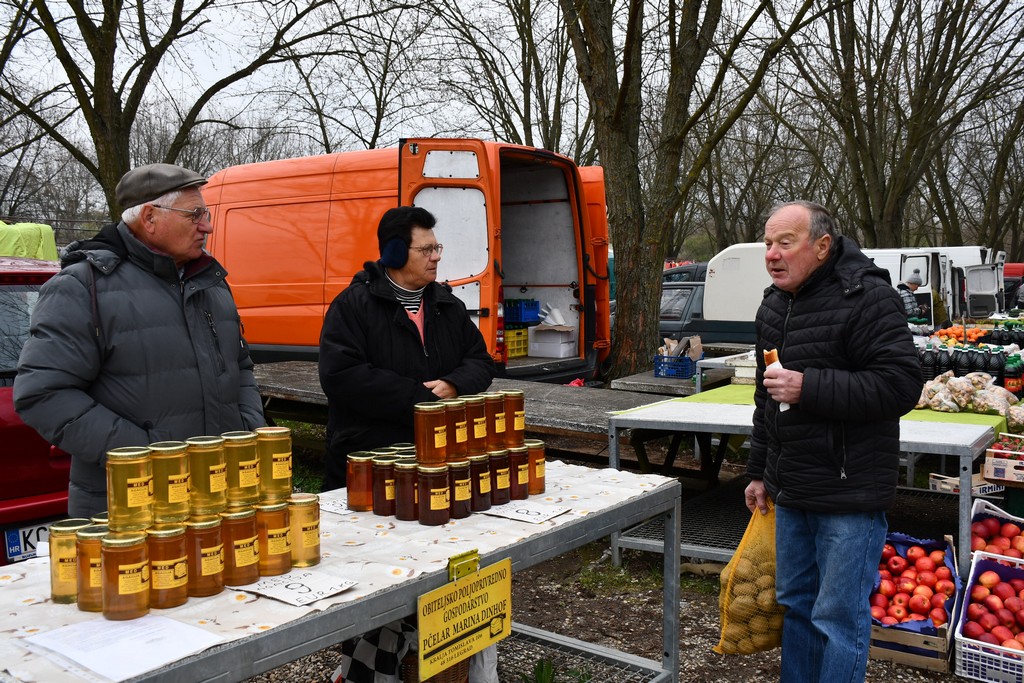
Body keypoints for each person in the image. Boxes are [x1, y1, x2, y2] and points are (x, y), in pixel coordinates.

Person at [15, 163, 265, 518]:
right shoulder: (82, 288)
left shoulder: (210, 282)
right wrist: (147, 454)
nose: (207, 225)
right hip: (130, 505)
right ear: (149, 217)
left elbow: (240, 367)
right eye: (195, 214)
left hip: (220, 497)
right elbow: (43, 394)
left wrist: (247, 428)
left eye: (205, 214)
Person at [743, 201, 921, 683]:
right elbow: (766, 397)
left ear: (822, 247)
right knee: (796, 607)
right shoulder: (774, 303)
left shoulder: (868, 298)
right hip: (791, 487)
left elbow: (901, 385)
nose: (772, 255)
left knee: (837, 619)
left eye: (785, 243)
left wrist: (810, 387)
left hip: (849, 492)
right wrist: (759, 472)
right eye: (767, 244)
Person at [318, 205, 496, 490]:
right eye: (426, 250)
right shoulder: (352, 306)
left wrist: (454, 383)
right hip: (370, 463)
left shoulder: (449, 306)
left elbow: (481, 361)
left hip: (439, 457)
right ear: (395, 253)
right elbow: (341, 376)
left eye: (437, 247)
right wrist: (421, 399)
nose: (436, 256)